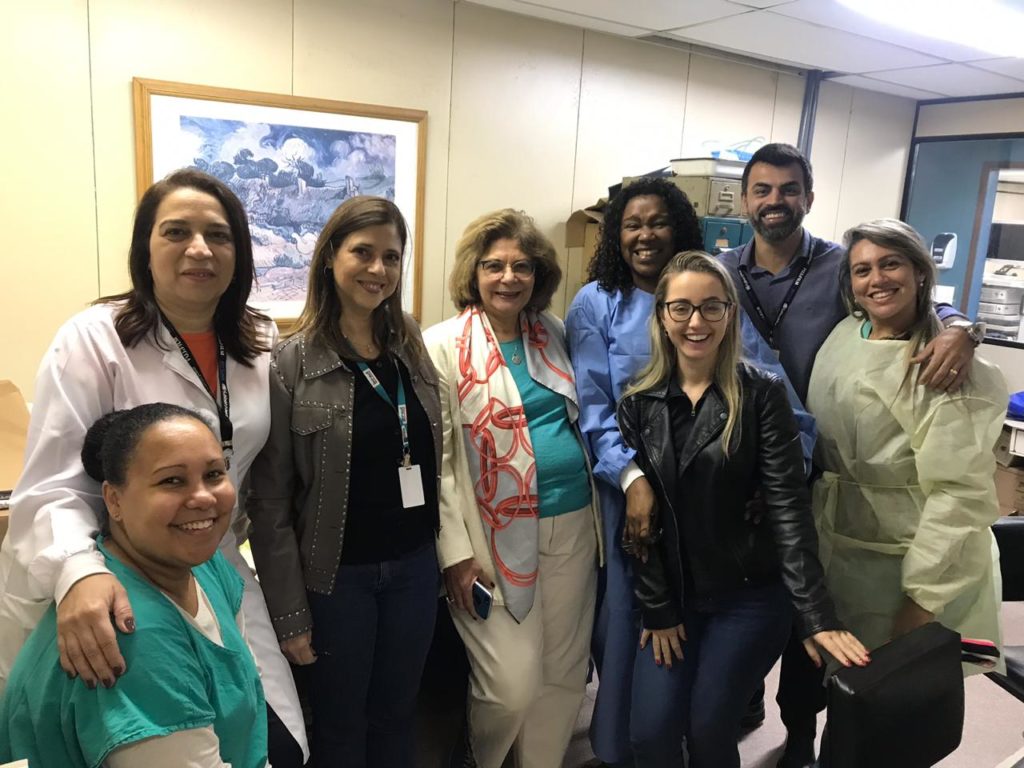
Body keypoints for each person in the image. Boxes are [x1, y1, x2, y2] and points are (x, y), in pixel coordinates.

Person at [0, 168, 307, 765]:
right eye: (176, 232)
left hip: (212, 566)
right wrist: (78, 574)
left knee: (275, 738)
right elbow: (53, 486)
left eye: (218, 235)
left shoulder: (258, 341)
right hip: (111, 573)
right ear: (146, 247)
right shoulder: (94, 339)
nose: (199, 249)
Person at [718, 143, 981, 767]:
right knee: (754, 601)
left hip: (824, 478)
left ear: (808, 197)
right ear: (744, 200)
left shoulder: (841, 268)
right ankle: (748, 701)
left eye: (789, 189)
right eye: (762, 190)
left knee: (820, 623)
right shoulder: (721, 270)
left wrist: (961, 326)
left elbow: (905, 297)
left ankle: (802, 740)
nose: (775, 201)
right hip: (740, 465)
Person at [564, 176, 815, 766]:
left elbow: (774, 393)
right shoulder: (595, 302)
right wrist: (633, 478)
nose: (645, 234)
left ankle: (700, 733)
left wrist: (776, 476)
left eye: (658, 222)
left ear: (679, 228)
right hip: (632, 490)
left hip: (715, 490)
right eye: (632, 224)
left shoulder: (711, 291)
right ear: (615, 234)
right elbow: (593, 409)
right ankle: (625, 749)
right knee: (632, 624)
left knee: (709, 665)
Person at [617, 251, 869, 768]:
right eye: (681, 307)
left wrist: (815, 615)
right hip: (676, 596)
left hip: (748, 597)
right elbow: (640, 524)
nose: (696, 322)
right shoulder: (638, 403)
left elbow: (788, 509)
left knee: (709, 729)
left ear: (730, 314)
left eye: (712, 307)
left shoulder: (761, 395)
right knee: (649, 734)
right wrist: (658, 607)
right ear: (662, 316)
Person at [245, 196, 442, 767]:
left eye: (391, 256)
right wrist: (290, 615)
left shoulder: (409, 342)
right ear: (331, 256)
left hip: (414, 569)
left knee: (399, 716)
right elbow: (270, 502)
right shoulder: (292, 363)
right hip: (337, 581)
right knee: (340, 725)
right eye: (363, 252)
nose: (378, 269)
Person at [423, 209, 601, 768]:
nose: (508, 278)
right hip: (489, 539)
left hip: (573, 522)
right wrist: (454, 553)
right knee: (511, 685)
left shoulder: (554, 333)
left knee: (563, 671)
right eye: (494, 265)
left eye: (522, 266)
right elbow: (438, 463)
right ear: (473, 273)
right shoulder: (441, 346)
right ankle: (484, 759)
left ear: (538, 275)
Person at [0, 404, 268, 767]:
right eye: (172, 480)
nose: (204, 497)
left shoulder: (203, 566)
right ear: (114, 500)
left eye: (214, 474)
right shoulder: (127, 634)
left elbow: (244, 685)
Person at [808, 218, 1005, 671]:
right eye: (862, 270)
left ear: (919, 270)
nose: (876, 279)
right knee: (847, 688)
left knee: (902, 693)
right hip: (843, 543)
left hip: (914, 560)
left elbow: (958, 496)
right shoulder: (847, 333)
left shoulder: (946, 367)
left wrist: (921, 600)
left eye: (890, 264)